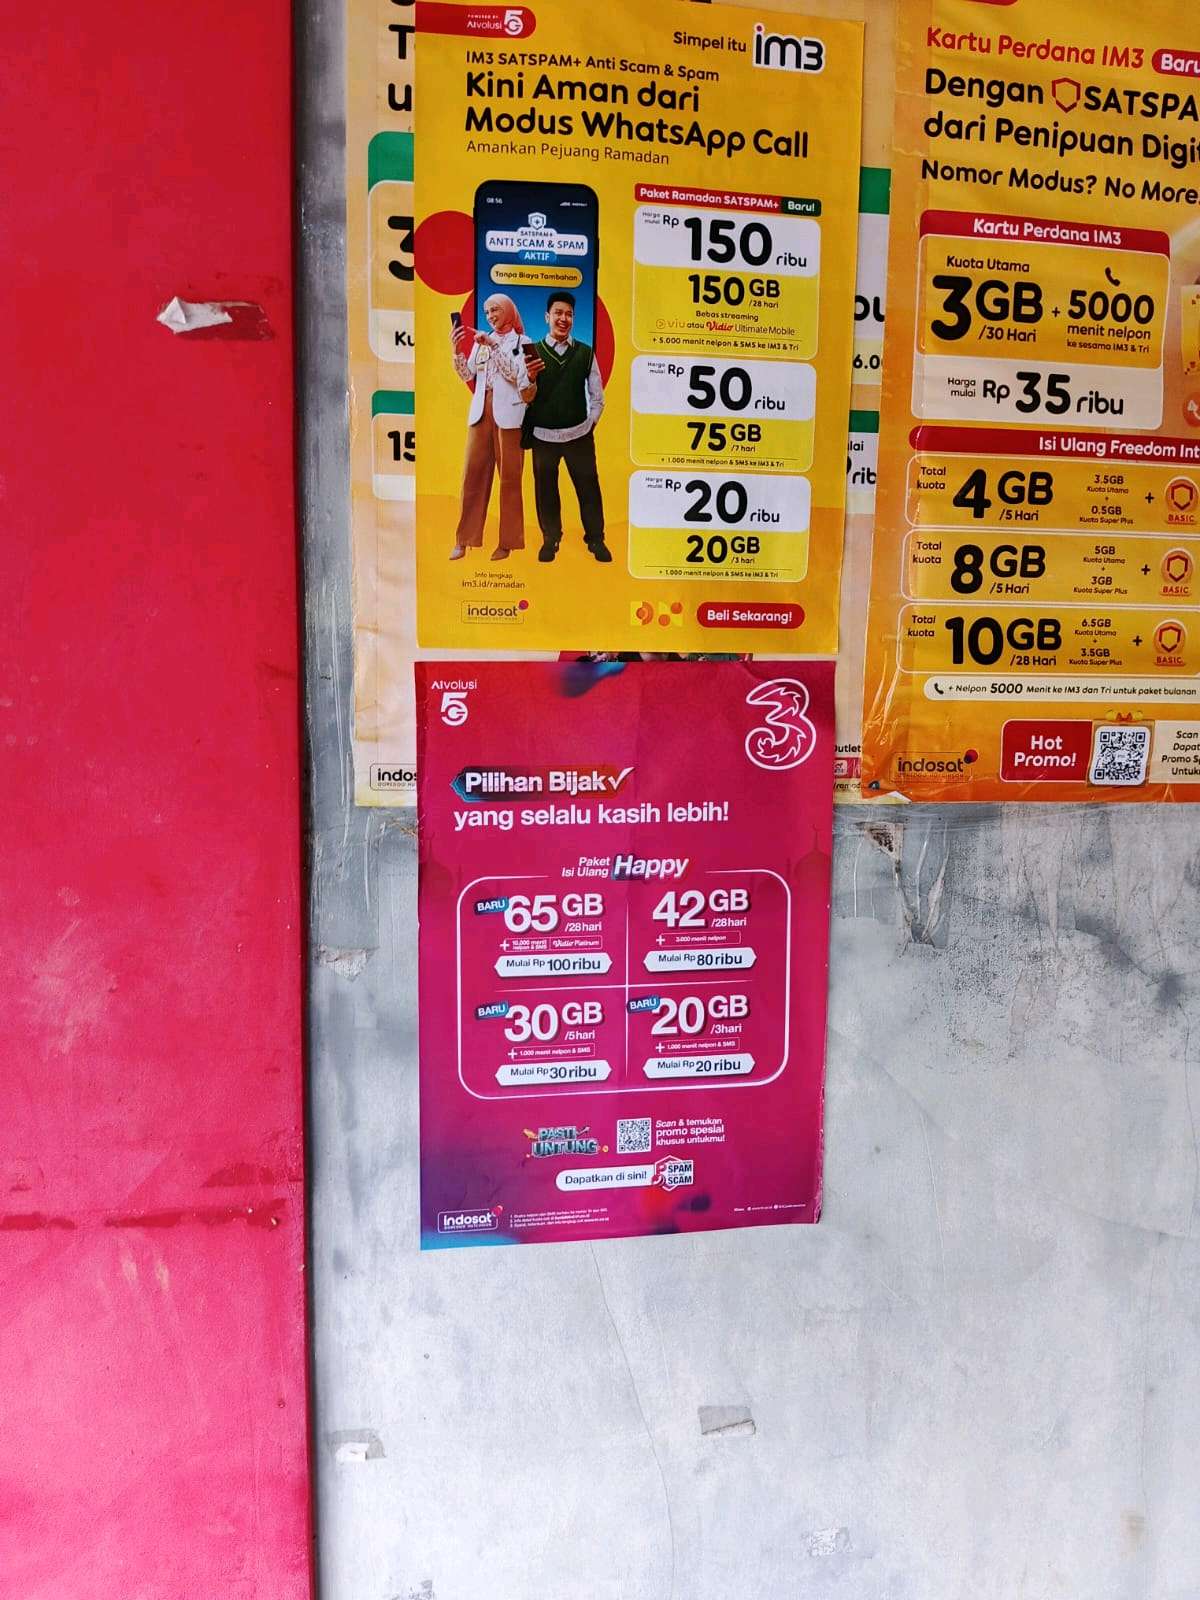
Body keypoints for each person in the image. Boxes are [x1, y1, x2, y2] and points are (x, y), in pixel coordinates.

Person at [522, 291, 611, 564]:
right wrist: (531, 377)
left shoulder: (585, 353)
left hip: (579, 435)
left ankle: (596, 539)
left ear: (573, 319)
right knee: (546, 491)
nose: (563, 318)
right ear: (547, 317)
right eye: (558, 313)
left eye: (569, 314)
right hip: (543, 436)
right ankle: (550, 539)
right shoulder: (532, 352)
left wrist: (590, 423)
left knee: (589, 488)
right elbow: (524, 397)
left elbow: (597, 396)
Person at [449, 294, 535, 561]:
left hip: (510, 414)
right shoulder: (481, 341)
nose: (490, 316)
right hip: (481, 411)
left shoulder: (525, 343)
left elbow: (518, 377)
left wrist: (494, 346)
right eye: (487, 312)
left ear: (508, 310)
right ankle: (464, 540)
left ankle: (508, 542)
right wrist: (457, 350)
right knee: (472, 475)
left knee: (510, 479)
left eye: (495, 310)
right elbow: (468, 375)